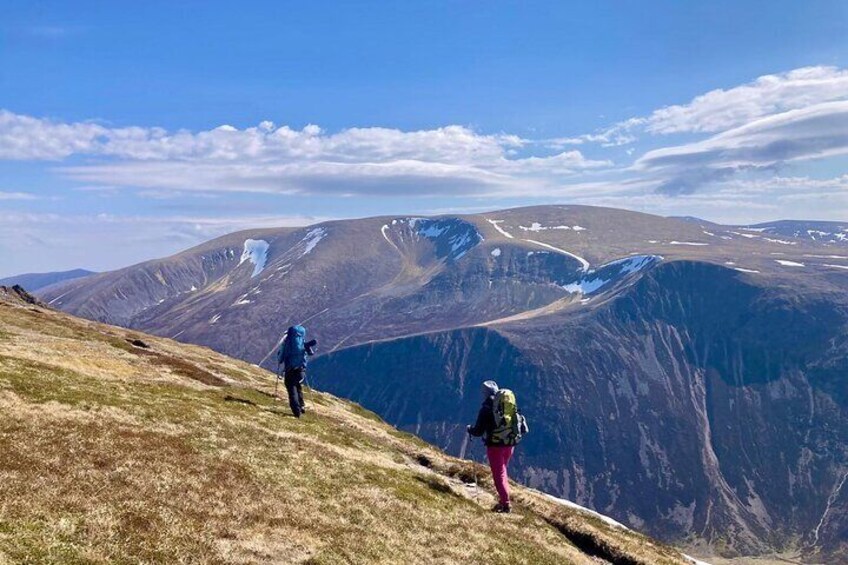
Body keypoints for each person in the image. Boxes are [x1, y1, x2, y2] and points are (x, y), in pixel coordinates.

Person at [467, 380, 517, 513]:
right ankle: (503, 500)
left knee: (498, 475)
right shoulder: (506, 405)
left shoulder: (487, 408)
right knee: (503, 471)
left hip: (495, 446)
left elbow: (478, 431)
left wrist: (470, 429)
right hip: (509, 444)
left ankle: (505, 503)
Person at [276, 325, 316, 418]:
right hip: (301, 370)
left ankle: (296, 411)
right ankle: (301, 406)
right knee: (297, 385)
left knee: (291, 388)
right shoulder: (303, 343)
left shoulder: (287, 344)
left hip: (290, 370)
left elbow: (280, 359)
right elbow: (311, 353)